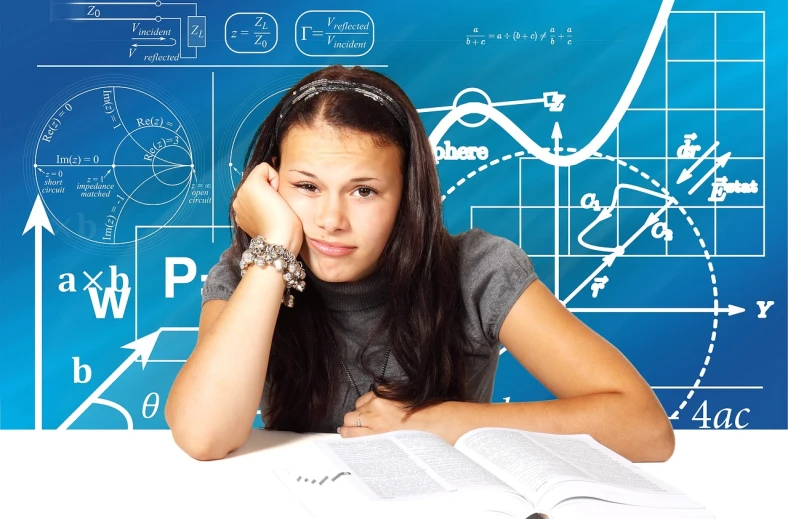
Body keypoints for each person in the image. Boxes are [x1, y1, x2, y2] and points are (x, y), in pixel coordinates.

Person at [165, 65, 675, 463]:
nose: (331, 219)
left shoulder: (479, 270)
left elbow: (645, 427)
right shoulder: (252, 273)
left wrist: (444, 423)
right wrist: (274, 246)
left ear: (408, 195)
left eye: (364, 191)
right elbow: (203, 436)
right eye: (307, 187)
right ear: (271, 184)